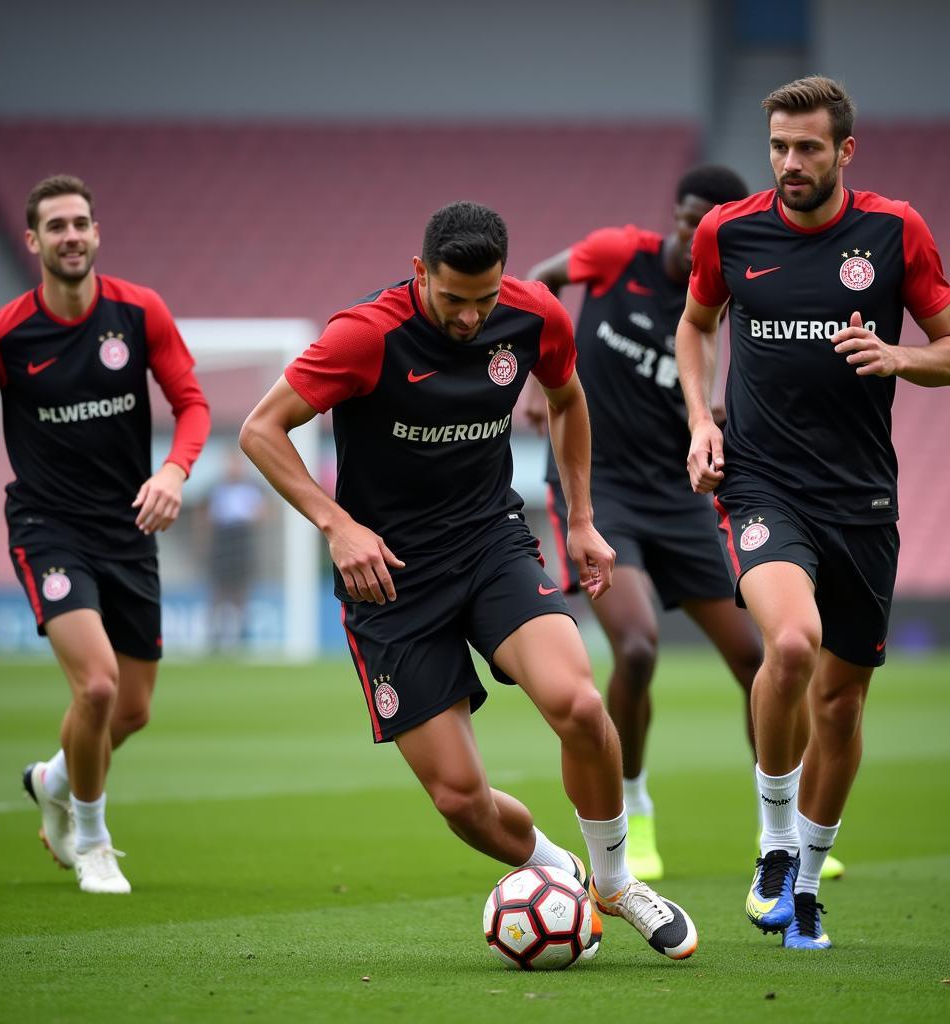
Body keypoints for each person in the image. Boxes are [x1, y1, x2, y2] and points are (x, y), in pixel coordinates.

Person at [240, 200, 698, 962]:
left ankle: (616, 883)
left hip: (490, 544)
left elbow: (567, 398)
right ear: (421, 273)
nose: (469, 317)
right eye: (453, 299)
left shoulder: (531, 315)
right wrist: (337, 524)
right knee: (460, 799)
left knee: (581, 704)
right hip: (390, 578)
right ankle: (562, 875)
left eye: (484, 299)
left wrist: (580, 519)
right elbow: (262, 428)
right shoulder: (365, 336)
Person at [677, 77, 950, 950]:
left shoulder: (894, 230)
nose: (790, 164)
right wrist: (698, 421)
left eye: (807, 148)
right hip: (763, 486)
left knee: (840, 708)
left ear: (845, 152)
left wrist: (901, 357)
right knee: (788, 644)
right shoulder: (729, 230)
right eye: (778, 148)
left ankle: (807, 876)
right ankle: (774, 845)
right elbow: (695, 326)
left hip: (863, 498)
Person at [0, 174, 210, 894]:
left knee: (133, 709)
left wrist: (175, 473)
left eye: (80, 224)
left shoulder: (138, 311)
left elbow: (191, 403)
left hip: (127, 527)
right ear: (32, 240)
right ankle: (90, 838)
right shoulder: (2, 333)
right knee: (95, 687)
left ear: (96, 233)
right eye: (55, 226)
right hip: (46, 526)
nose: (70, 236)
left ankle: (52, 779)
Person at [524, 165, 786, 882]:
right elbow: (535, 284)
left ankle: (781, 835)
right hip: (598, 487)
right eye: (686, 220)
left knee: (759, 662)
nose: (692, 236)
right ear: (674, 216)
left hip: (678, 495)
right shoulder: (619, 255)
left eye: (709, 226)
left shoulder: (726, 296)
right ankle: (633, 809)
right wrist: (537, 372)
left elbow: (711, 387)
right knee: (637, 649)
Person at [201, 451, 270, 650]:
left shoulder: (253, 487)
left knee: (241, 591)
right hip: (221, 542)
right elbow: (205, 516)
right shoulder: (215, 488)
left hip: (242, 540)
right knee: (218, 591)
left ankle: (242, 634)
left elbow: (263, 512)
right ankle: (214, 635)